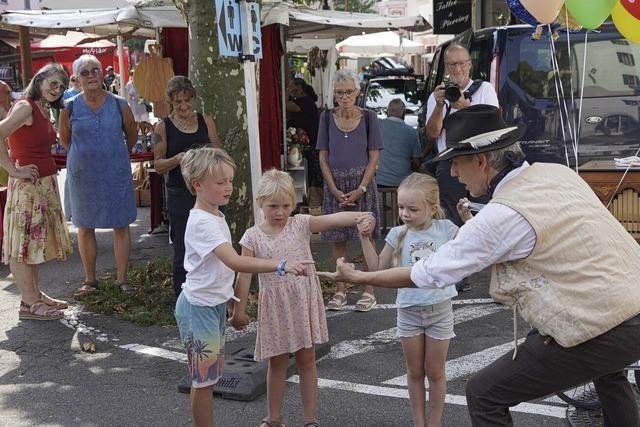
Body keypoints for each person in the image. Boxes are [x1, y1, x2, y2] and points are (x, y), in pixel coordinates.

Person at [320, 104, 640, 426]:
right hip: (631, 306)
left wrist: (362, 276)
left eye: (456, 163)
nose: (454, 174)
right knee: (609, 376)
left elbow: (426, 273)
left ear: (481, 161)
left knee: (484, 393)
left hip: (603, 323)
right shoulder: (557, 172)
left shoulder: (501, 215)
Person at [174, 147, 311, 427]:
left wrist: (233, 305)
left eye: (230, 181)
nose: (229, 188)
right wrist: (280, 264)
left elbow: (218, 271)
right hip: (198, 309)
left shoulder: (215, 215)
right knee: (204, 382)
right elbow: (235, 262)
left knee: (209, 377)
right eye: (221, 182)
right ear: (198, 185)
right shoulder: (203, 223)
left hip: (210, 307)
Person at [229, 170, 375, 427]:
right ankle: (274, 418)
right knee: (277, 363)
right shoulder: (252, 236)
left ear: (293, 203)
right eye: (273, 206)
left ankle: (310, 419)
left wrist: (361, 216)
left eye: (286, 205)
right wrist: (238, 310)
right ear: (260, 202)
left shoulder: (300, 223)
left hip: (302, 300)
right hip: (275, 305)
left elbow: (332, 219)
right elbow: (244, 274)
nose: (280, 212)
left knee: (307, 359)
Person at [357, 172, 458, 426]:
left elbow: (475, 246)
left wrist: (468, 218)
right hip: (409, 310)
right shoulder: (397, 234)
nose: (404, 214)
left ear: (433, 208)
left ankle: (434, 422)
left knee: (435, 371)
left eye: (412, 208)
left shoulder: (446, 229)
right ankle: (418, 423)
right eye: (401, 207)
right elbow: (376, 271)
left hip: (440, 309)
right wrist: (364, 238)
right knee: (414, 372)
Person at [59, 54, 138, 296]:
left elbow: (131, 136)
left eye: (95, 70)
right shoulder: (69, 107)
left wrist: (116, 155)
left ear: (103, 74)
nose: (91, 75)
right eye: (85, 72)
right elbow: (64, 141)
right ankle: (90, 280)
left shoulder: (119, 104)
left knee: (121, 224)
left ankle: (122, 279)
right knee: (85, 226)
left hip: (115, 172)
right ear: (77, 79)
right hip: (84, 176)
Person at [0, 63, 72, 320]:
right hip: (27, 188)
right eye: (53, 83)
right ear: (39, 80)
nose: (57, 89)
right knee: (22, 247)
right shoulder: (25, 106)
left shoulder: (41, 108)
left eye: (62, 86)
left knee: (32, 245)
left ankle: (34, 294)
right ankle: (29, 303)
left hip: (42, 185)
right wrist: (13, 169)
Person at [426, 43, 498, 293]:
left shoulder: (484, 89)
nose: (457, 68)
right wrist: (439, 105)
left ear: (469, 64)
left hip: (480, 162)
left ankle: (496, 273)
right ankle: (459, 272)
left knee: (486, 215)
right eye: (452, 64)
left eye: (461, 63)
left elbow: (492, 126)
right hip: (451, 161)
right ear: (446, 68)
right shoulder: (439, 95)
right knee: (454, 217)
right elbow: (433, 133)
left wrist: (465, 108)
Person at [317, 69, 383, 312]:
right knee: (338, 240)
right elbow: (323, 157)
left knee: (367, 237)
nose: (344, 96)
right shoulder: (326, 118)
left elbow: (374, 157)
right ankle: (340, 290)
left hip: (362, 185)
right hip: (335, 185)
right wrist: (333, 189)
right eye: (339, 92)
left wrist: (362, 188)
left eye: (348, 91)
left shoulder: (369, 118)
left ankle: (368, 289)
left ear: (357, 92)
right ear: (334, 94)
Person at [153, 76, 221, 298]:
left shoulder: (205, 120)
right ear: (170, 101)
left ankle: (212, 290)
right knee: (182, 244)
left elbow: (218, 152)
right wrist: (178, 159)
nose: (183, 106)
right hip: (179, 193)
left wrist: (207, 155)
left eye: (187, 100)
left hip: (207, 192)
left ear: (193, 98)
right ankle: (181, 295)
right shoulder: (163, 127)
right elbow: (158, 165)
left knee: (214, 240)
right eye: (178, 101)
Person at [286, 78, 323, 214]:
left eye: (292, 88)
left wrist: (286, 92)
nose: (290, 90)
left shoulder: (305, 102)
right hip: (305, 144)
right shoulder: (304, 102)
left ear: (300, 88)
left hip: (309, 145)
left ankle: (312, 204)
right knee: (306, 174)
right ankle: (305, 203)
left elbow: (285, 105)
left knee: (310, 175)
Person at [376, 99, 422, 188]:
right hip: (401, 182)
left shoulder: (377, 125)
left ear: (387, 111)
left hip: (378, 180)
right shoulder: (412, 132)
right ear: (404, 113)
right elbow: (417, 162)